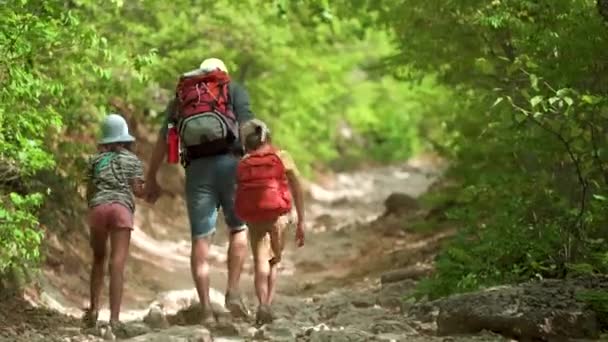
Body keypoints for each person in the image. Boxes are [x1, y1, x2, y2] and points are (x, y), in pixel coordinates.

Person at [144, 58, 254, 324]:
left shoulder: (183, 97)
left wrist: (151, 178)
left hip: (197, 172)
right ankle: (233, 292)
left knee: (200, 239)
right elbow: (250, 129)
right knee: (238, 229)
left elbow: (163, 140)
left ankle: (205, 309)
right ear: (222, 74)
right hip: (231, 166)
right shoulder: (233, 90)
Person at [234, 119, 306, 325]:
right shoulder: (282, 157)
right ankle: (268, 304)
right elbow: (297, 188)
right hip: (279, 217)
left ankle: (262, 303)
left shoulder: (244, 161)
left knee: (259, 262)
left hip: (254, 217)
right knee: (274, 261)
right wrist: (301, 220)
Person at [83, 113, 145, 335]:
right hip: (121, 210)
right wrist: (145, 190)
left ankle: (92, 312)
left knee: (99, 259)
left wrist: (93, 204)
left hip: (98, 210)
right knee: (117, 263)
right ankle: (115, 320)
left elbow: (89, 189)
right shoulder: (132, 160)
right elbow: (138, 191)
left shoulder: (94, 160)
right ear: (124, 137)